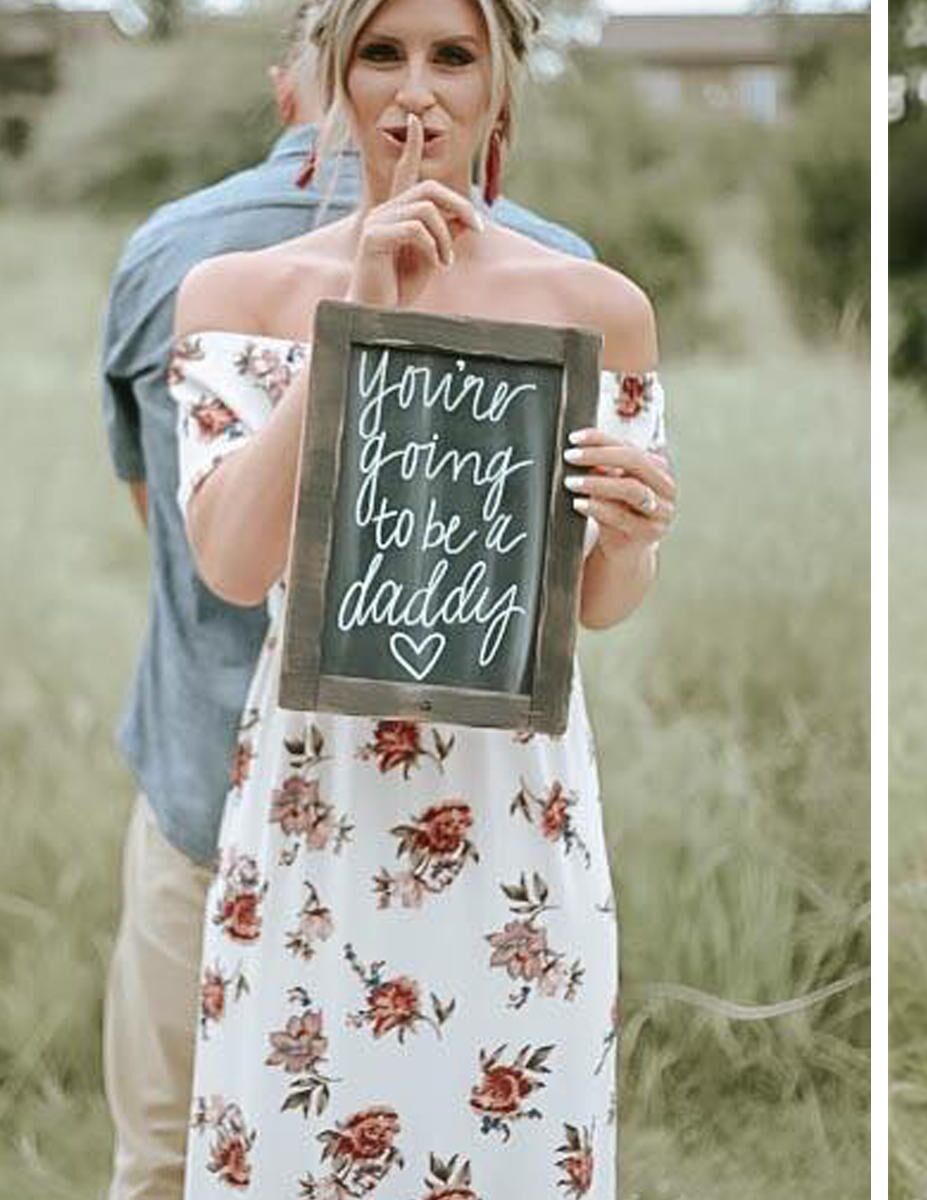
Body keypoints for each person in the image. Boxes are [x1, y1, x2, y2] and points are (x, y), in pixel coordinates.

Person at [160, 0, 674, 1190]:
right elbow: (232, 564)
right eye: (383, 55)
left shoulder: (595, 308)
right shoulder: (235, 294)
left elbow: (601, 601)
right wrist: (359, 318)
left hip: (513, 828)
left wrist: (635, 532)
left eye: (454, 57)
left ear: (501, 85)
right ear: (333, 78)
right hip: (316, 821)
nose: (417, 92)